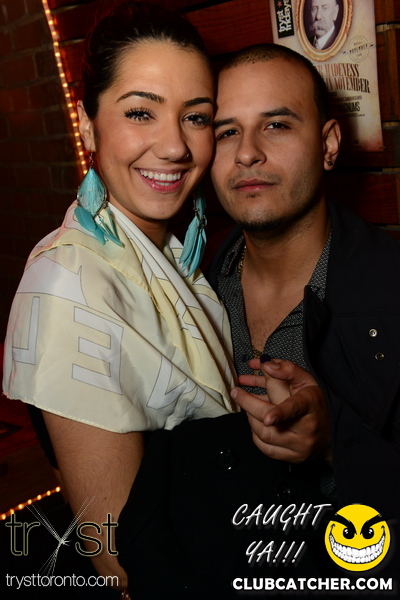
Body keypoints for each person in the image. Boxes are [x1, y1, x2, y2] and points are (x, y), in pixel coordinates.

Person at [116, 43, 399, 598]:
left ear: (328, 145)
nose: (247, 153)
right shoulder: (185, 290)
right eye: (226, 132)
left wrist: (336, 444)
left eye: (276, 125)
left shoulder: (389, 295)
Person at [2, 1, 237, 592]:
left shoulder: (180, 256)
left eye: (196, 117)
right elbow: (121, 559)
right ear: (88, 125)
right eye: (140, 112)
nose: (175, 146)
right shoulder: (68, 283)